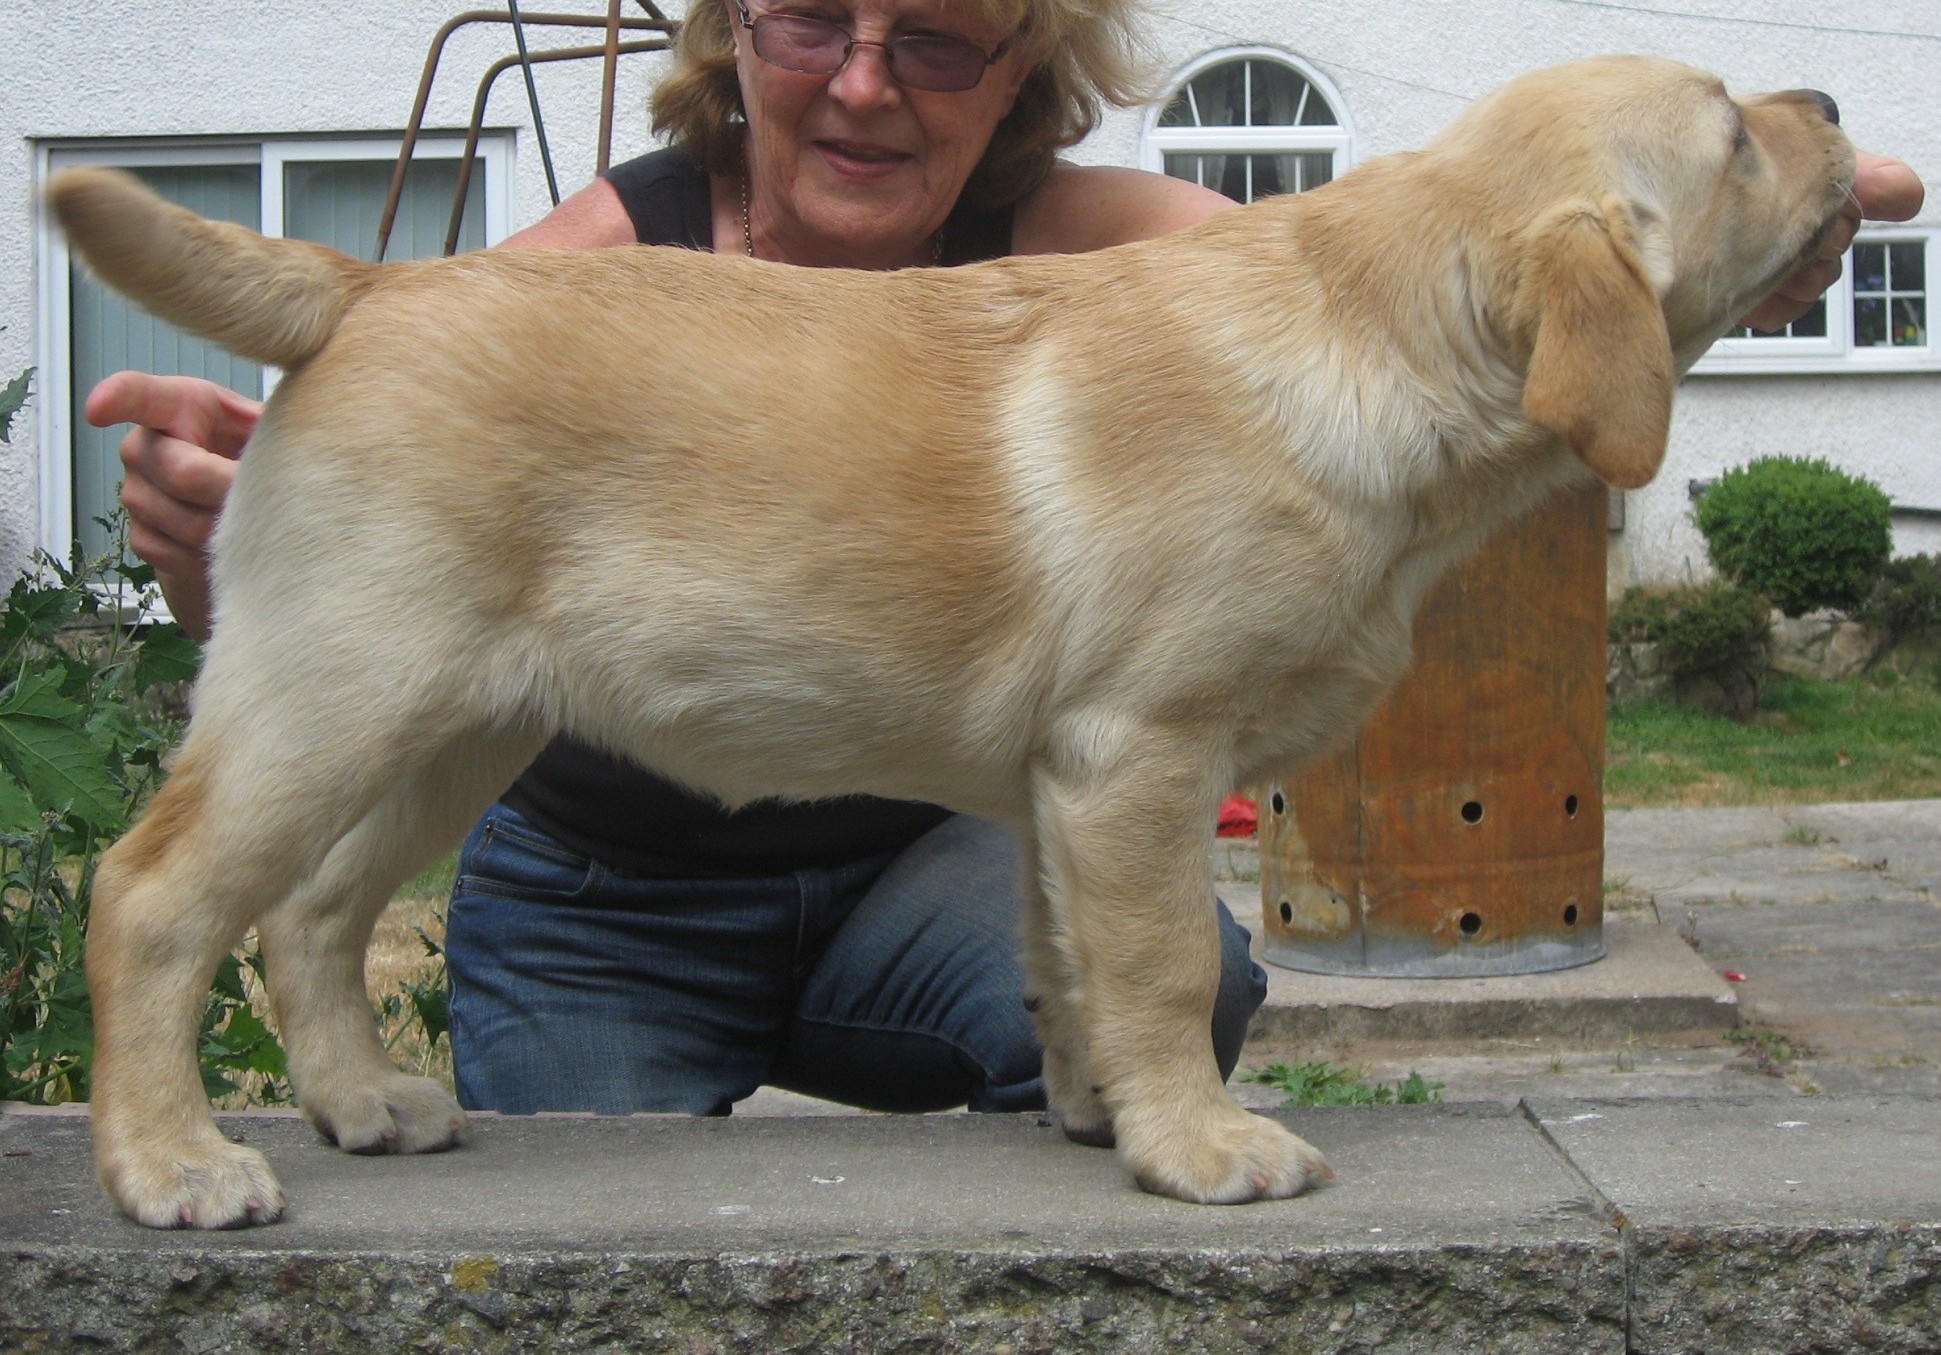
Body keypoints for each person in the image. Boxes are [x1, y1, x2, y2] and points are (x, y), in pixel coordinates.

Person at [87, 2, 1924, 1118]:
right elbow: (372, 549)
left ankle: (1099, 1090)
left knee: (1170, 982)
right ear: (738, 42)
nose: (869, 82)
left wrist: (1747, 241)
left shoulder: (1169, 268)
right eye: (811, 22)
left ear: (1015, 69)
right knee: (604, 1194)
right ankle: (222, 1059)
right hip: (612, 898)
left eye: (937, 38)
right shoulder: (560, 294)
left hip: (908, 862)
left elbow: (1382, 291)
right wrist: (237, 528)